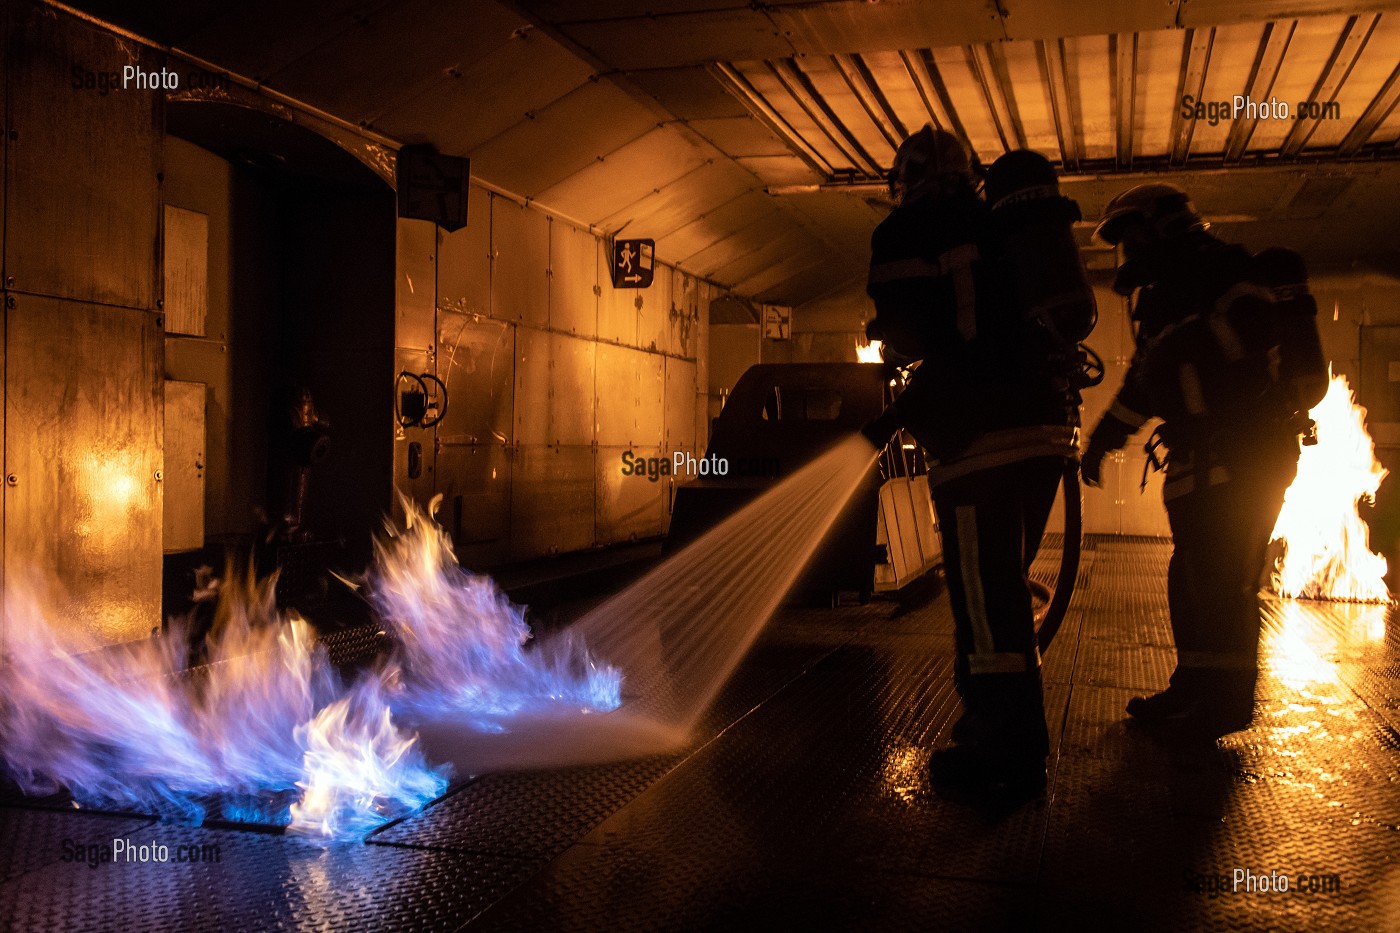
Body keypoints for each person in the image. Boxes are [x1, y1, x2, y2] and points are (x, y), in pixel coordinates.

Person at [863, 127, 1084, 797]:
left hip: (977, 444)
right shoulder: (1000, 224)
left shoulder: (906, 229)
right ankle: (1013, 737)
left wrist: (887, 345)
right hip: (1046, 434)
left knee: (988, 612)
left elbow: (907, 332)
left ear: (903, 179)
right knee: (1005, 593)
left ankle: (1005, 757)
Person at [1082, 183, 1326, 738]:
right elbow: (1144, 381)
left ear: (1163, 226)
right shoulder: (1165, 291)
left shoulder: (1222, 267)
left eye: (1132, 234)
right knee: (1191, 574)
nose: (1128, 249)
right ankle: (1191, 688)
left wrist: (1177, 344)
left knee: (1222, 580)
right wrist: (1104, 439)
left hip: (1245, 450)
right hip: (1201, 452)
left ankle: (1223, 705)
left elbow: (1244, 334)